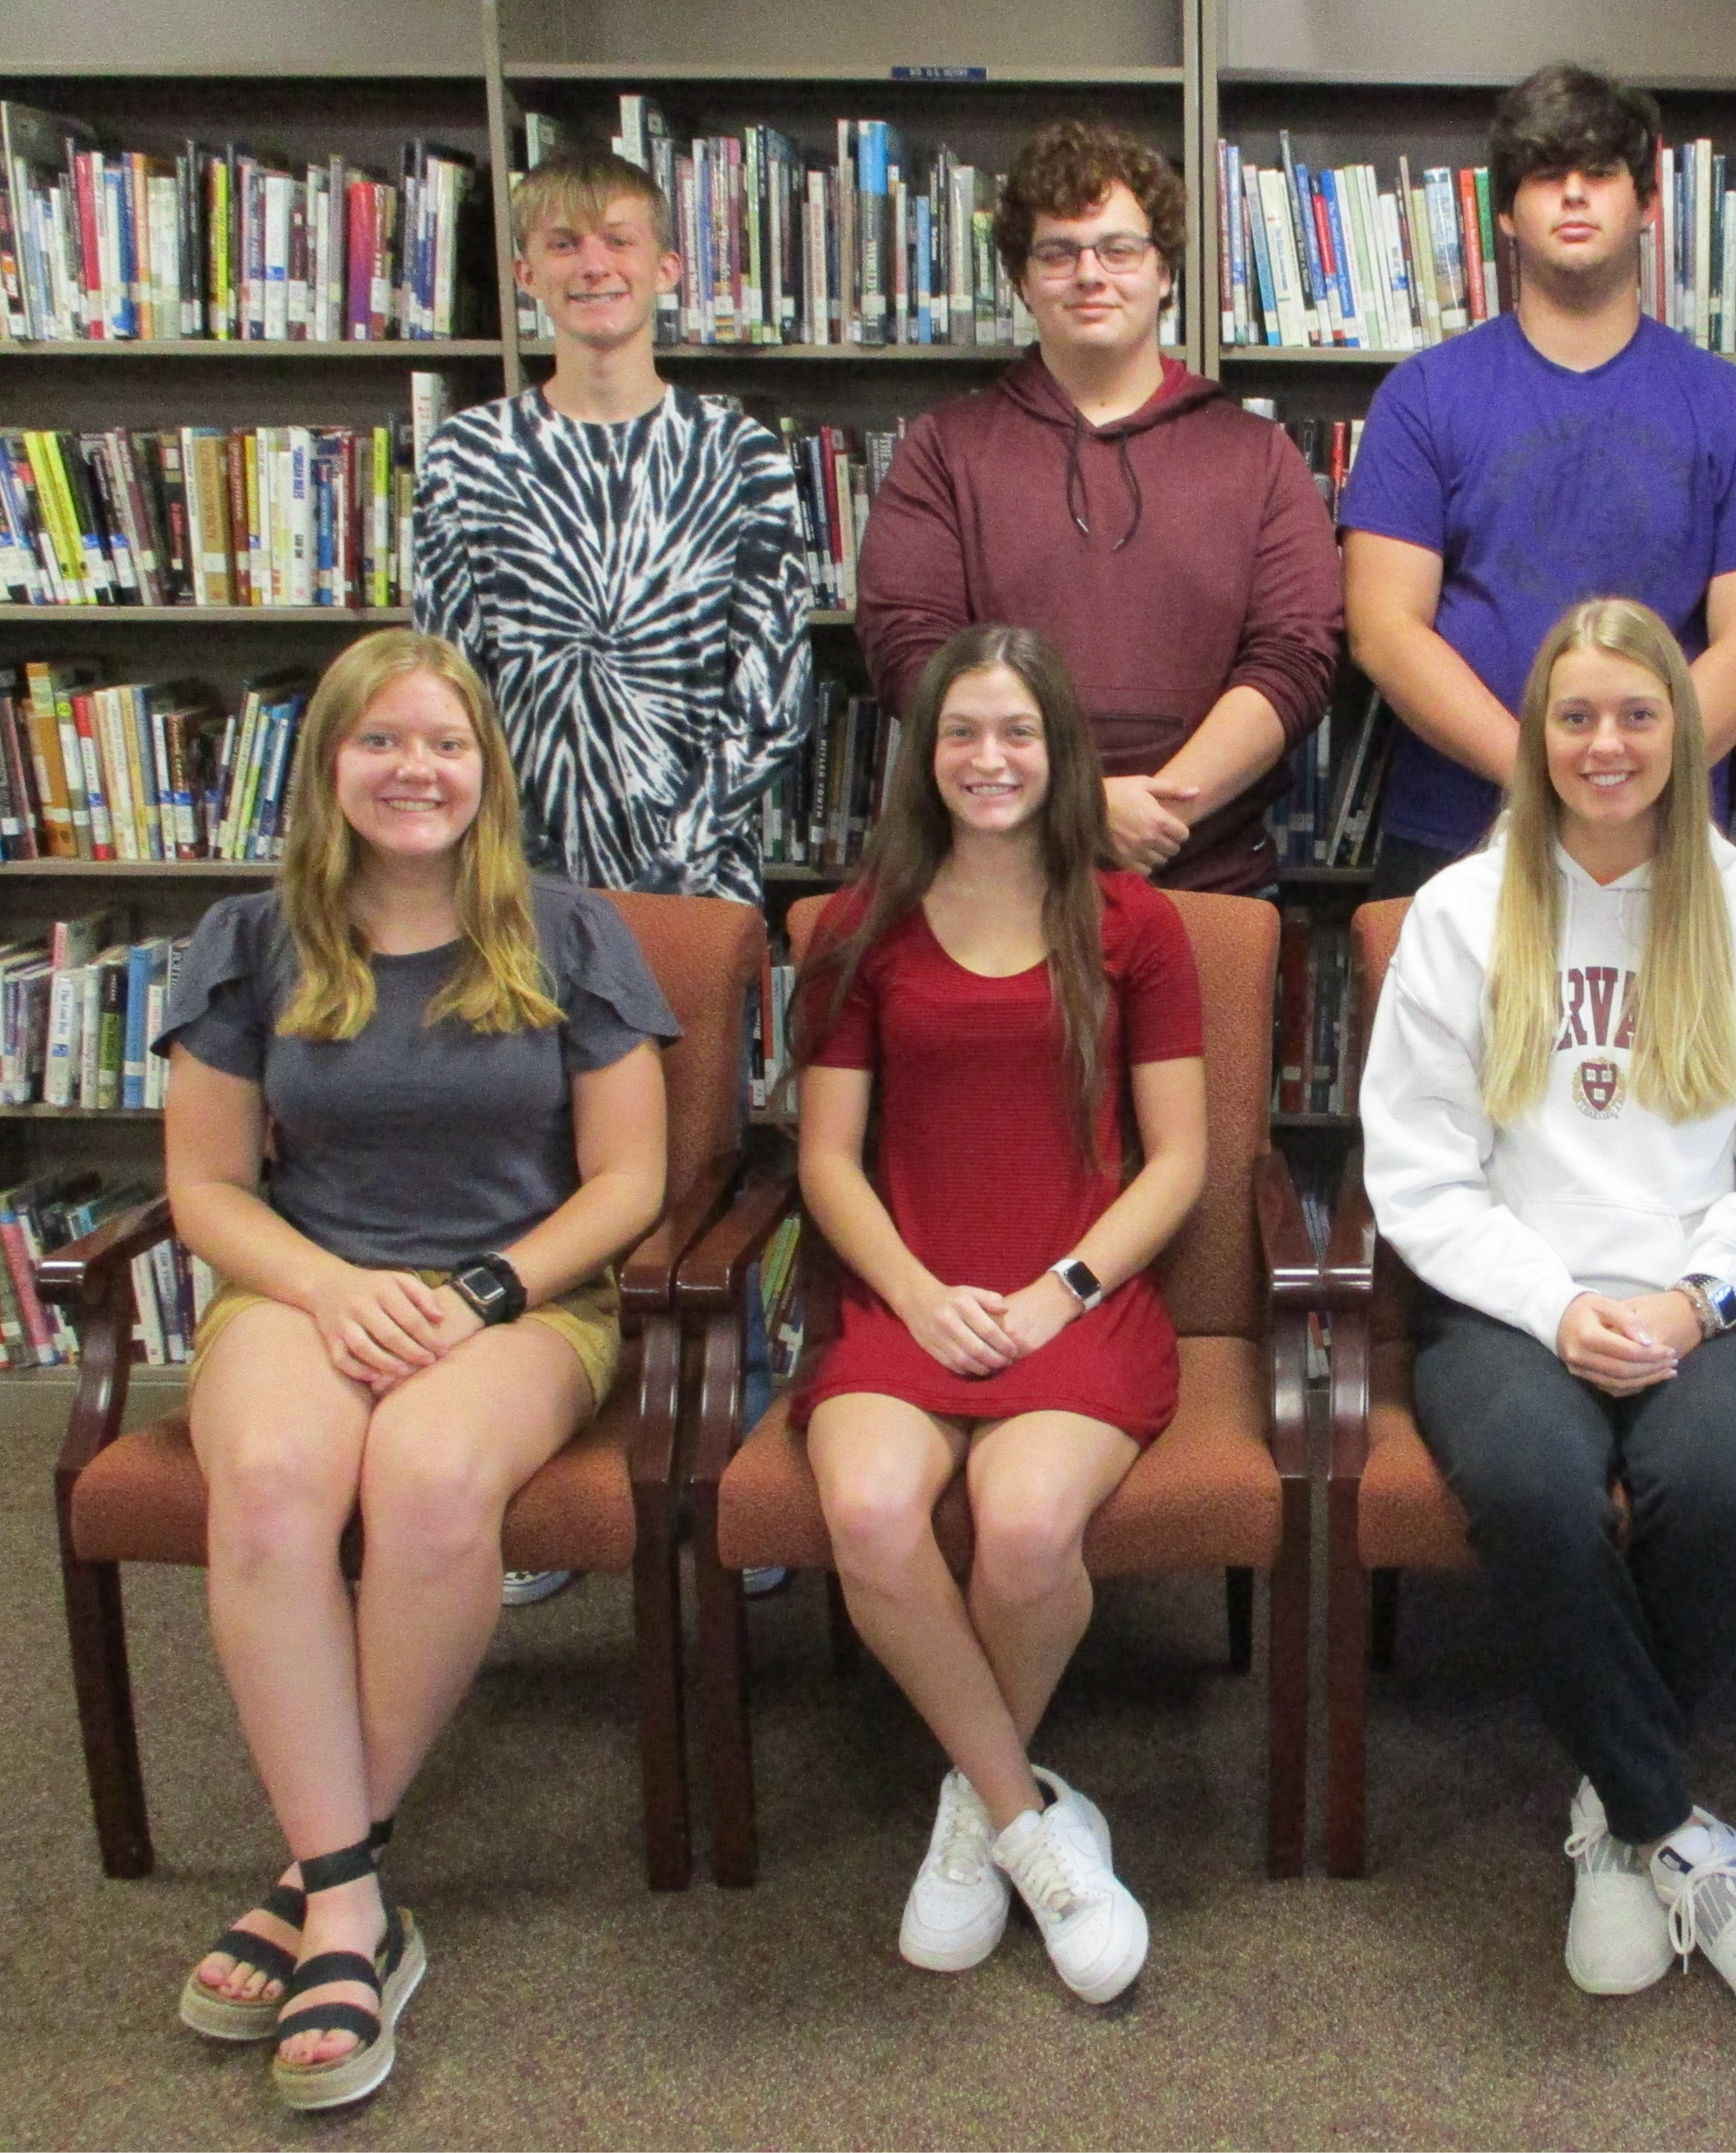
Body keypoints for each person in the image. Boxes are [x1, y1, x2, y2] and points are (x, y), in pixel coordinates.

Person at [160, 629, 679, 2109]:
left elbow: (628, 1178)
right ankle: (354, 1897)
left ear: (487, 770)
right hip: (303, 1282)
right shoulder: (249, 943)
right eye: (380, 741)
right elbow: (206, 1186)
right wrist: (330, 1289)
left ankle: (325, 1878)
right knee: (268, 1477)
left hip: (521, 1300)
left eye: (445, 743)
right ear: (328, 765)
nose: (416, 770)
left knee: (432, 1476)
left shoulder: (571, 932)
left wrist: (480, 1290)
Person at [1359, 597, 1736, 2024]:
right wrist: (1560, 1304)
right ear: (1536, 736)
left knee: (1720, 1487)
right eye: (1575, 714)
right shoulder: (1463, 911)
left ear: (1684, 733)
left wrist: (1695, 1302)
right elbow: (1419, 1174)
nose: (1606, 741)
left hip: (1715, 1302)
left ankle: (1608, 1816)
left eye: (1637, 713)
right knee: (1527, 1482)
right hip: (1510, 1301)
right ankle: (1673, 1832)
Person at [787, 623, 1208, 2005]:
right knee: (864, 1515)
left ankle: (974, 1816)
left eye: (1016, 731)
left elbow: (1183, 1161)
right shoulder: (857, 928)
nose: (988, 757)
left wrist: (1054, 1294)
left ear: (1061, 751)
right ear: (924, 756)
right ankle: (1029, 1822)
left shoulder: (1135, 923)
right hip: (905, 1296)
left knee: (1027, 1529)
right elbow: (827, 1162)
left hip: (1072, 1297)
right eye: (961, 732)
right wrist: (914, 1292)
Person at [416, 148, 812, 1602]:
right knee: (524, 1154)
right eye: (564, 244)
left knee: (721, 1151)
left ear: (669, 270)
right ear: (525, 272)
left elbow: (774, 683)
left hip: (690, 878)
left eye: (622, 240)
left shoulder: (742, 452)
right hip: (506, 883)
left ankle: (738, 1425)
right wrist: (490, 867)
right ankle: (537, 1444)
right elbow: (436, 675)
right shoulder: (464, 458)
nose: (594, 265)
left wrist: (688, 870)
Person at [1341, 66, 1736, 901]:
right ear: (1503, 212)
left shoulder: (1732, 408)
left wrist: (1624, 779)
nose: (1571, 196)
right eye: (1544, 176)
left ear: (1646, 204)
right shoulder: (1421, 397)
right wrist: (1545, 775)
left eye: (1597, 174)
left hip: (1663, 840)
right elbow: (1384, 630)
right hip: (1456, 834)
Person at [856, 119, 1340, 894]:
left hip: (1207, 884)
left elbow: (1296, 659)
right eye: (1058, 253)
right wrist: (1077, 809)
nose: (1090, 275)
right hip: (996, 883)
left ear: (1165, 272)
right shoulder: (945, 451)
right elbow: (910, 652)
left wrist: (1155, 813)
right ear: (1021, 279)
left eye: (1119, 249)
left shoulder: (1258, 454)